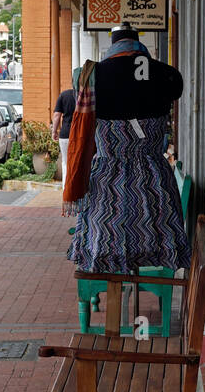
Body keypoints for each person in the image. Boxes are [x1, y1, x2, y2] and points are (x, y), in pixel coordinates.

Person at [67, 23, 189, 274]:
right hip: (154, 182)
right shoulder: (166, 74)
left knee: (107, 244)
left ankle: (117, 304)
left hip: (106, 183)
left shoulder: (88, 75)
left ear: (113, 42)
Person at [52, 79, 76, 184]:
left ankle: (66, 190)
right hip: (81, 134)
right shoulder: (86, 96)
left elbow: (57, 115)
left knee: (66, 163)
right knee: (79, 162)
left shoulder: (64, 95)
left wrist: (54, 131)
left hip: (66, 134)